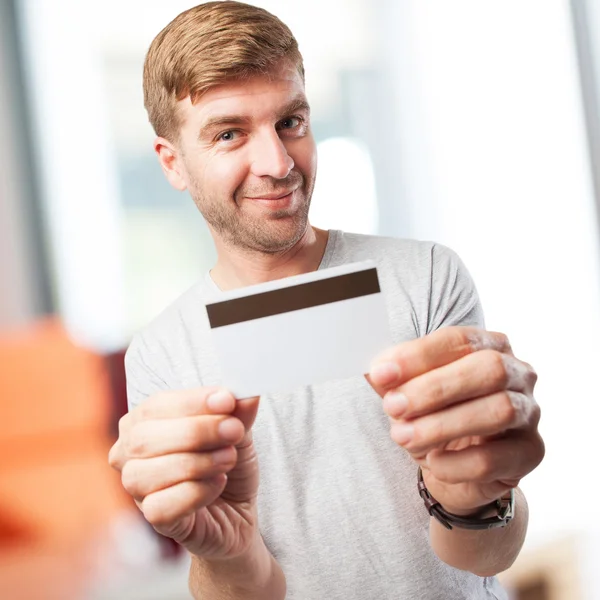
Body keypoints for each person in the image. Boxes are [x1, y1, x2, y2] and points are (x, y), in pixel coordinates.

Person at [108, 2, 545, 599]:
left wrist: (477, 495)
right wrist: (228, 553)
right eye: (230, 133)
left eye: (291, 122)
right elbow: (250, 589)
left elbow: (481, 557)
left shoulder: (425, 275)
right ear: (172, 163)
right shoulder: (161, 354)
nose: (279, 164)